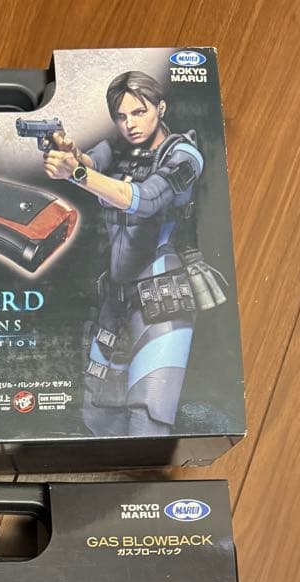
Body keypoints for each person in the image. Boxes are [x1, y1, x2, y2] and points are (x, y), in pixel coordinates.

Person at [42, 70, 226, 437]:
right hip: (116, 298)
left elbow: (145, 200)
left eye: (139, 112)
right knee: (98, 413)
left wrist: (76, 173)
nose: (130, 124)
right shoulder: (119, 147)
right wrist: (70, 155)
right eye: (122, 116)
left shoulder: (183, 156)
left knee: (148, 415)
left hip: (162, 297)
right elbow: (89, 162)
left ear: (160, 108)